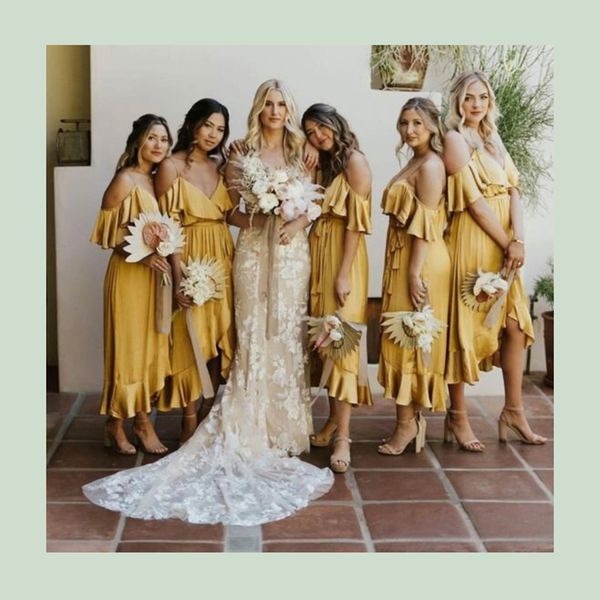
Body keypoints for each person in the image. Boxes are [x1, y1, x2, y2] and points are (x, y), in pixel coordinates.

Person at [83, 81, 333, 526]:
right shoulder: (238, 154)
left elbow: (318, 200)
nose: (275, 110)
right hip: (251, 253)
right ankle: (218, 423)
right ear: (258, 108)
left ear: (288, 110)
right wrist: (264, 215)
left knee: (286, 336)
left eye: (281, 104)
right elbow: (230, 212)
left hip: (290, 255)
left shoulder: (303, 152)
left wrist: (298, 218)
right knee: (249, 336)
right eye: (268, 103)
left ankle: (285, 426)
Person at [443, 71, 547, 450]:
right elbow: (474, 201)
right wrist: (508, 242)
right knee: (467, 325)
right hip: (475, 237)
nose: (476, 104)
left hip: (506, 241)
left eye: (483, 97)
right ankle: (458, 417)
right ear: (458, 101)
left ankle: (514, 410)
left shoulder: (493, 136)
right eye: (470, 97)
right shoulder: (454, 139)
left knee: (516, 325)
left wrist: (518, 240)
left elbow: (513, 188)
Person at [89, 114, 173, 455]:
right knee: (128, 349)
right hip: (127, 276)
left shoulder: (156, 180)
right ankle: (122, 422)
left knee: (151, 346)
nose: (158, 145)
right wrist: (142, 253)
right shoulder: (125, 179)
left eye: (164, 140)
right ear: (139, 140)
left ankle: (140, 418)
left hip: (152, 278)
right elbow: (107, 232)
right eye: (153, 137)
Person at [154, 99, 235, 444]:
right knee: (190, 337)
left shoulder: (222, 166)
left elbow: (231, 213)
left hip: (223, 254)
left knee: (220, 332)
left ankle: (207, 413)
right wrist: (178, 274)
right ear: (192, 124)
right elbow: (166, 224)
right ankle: (188, 418)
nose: (213, 135)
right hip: (189, 254)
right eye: (208, 126)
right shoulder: (171, 167)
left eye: (220, 129)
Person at [301, 103, 372, 473]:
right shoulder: (327, 164)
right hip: (320, 251)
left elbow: (356, 226)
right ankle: (331, 422)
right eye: (310, 132)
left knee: (341, 340)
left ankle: (343, 435)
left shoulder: (355, 162)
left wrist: (343, 273)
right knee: (324, 342)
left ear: (336, 122)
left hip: (344, 258)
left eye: (321, 128)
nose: (318, 136)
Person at [377, 98, 450, 455]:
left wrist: (413, 272)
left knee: (408, 338)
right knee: (402, 336)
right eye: (404, 123)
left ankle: (407, 425)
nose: (410, 130)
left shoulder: (432, 165)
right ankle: (411, 421)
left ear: (433, 126)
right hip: (404, 256)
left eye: (417, 123)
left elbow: (426, 224)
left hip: (419, 259)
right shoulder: (415, 160)